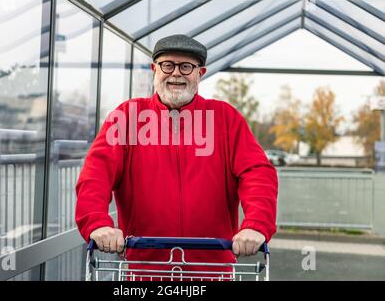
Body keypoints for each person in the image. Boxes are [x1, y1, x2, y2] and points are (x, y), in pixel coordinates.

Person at [75, 34, 278, 269]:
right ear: (154, 70)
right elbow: (96, 173)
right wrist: (97, 222)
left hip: (212, 267)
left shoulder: (225, 118)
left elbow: (257, 173)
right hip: (145, 267)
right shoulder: (127, 117)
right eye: (167, 65)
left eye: (186, 66)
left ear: (200, 73)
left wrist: (255, 224)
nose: (176, 73)